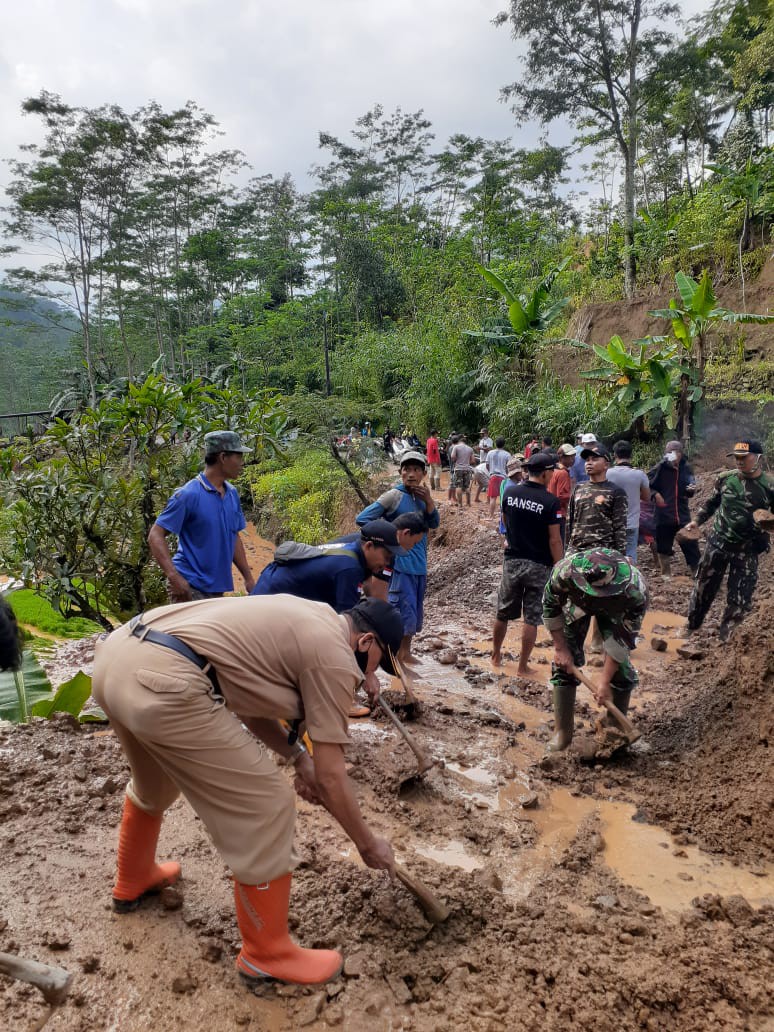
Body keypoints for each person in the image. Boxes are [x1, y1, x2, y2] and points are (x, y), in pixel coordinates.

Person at [91, 596, 401, 988]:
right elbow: (332, 777)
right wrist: (368, 844)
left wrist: (297, 757)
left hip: (117, 659)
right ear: (365, 641)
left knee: (155, 782)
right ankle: (267, 954)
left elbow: (250, 704)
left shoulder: (311, 616)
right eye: (380, 662)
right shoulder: (336, 657)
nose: (375, 675)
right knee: (267, 802)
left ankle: (133, 878)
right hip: (164, 679)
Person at [543, 548, 649, 752]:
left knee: (621, 671)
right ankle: (562, 733)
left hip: (616, 608)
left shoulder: (635, 590)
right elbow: (550, 606)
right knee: (563, 664)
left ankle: (615, 731)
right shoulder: (565, 572)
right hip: (577, 603)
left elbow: (621, 641)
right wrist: (560, 648)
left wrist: (604, 682)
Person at [148, 430, 255, 602]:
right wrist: (174, 577)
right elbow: (155, 535)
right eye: (239, 456)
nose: (242, 463)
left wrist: (248, 578)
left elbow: (233, 535)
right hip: (189, 587)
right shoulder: (188, 495)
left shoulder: (232, 494)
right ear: (223, 457)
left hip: (217, 590)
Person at [355, 451, 440, 664]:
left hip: (419, 565)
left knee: (414, 612)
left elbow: (434, 524)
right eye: (406, 470)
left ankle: (405, 653)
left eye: (416, 470)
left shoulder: (423, 498)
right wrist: (387, 538)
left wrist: (429, 501)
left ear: (423, 473)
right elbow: (363, 519)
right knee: (401, 610)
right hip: (400, 565)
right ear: (401, 473)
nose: (411, 474)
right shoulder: (394, 496)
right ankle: (392, 656)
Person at [685, 439, 774, 640]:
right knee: (703, 588)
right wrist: (696, 521)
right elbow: (711, 504)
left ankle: (728, 642)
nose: (739, 462)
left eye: (744, 457)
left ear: (758, 458)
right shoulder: (725, 479)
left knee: (740, 598)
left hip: (748, 549)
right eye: (736, 458)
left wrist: (767, 522)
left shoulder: (769, 486)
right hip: (718, 542)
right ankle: (691, 627)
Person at [492, 452, 564, 676]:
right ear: (545, 473)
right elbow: (554, 539)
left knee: (502, 612)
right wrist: (559, 566)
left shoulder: (511, 492)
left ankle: (495, 655)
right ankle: (523, 666)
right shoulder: (551, 502)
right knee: (531, 618)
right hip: (539, 565)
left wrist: (513, 539)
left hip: (512, 560)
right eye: (552, 470)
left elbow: (504, 522)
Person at [251, 519, 405, 614]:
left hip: (271, 585)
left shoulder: (350, 551)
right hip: (270, 599)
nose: (386, 563)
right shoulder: (350, 568)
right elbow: (345, 621)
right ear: (369, 546)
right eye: (386, 556)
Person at [565, 442, 627, 556]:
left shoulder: (616, 492)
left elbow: (620, 528)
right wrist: (567, 550)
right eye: (587, 460)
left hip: (604, 553)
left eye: (594, 459)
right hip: (576, 552)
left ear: (606, 465)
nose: (589, 463)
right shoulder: (578, 488)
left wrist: (620, 556)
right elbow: (570, 521)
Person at [648, 440, 699, 578]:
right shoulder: (659, 468)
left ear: (680, 454)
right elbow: (647, 485)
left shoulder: (686, 468)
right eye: (668, 453)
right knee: (663, 545)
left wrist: (691, 489)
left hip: (681, 513)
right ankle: (666, 574)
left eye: (674, 453)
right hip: (664, 513)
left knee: (690, 542)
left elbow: (691, 486)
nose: (670, 456)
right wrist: (655, 494)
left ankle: (696, 572)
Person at [606, 440, 651, 564]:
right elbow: (647, 498)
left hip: (611, 523)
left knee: (612, 557)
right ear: (631, 455)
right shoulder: (640, 475)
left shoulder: (607, 473)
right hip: (631, 523)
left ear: (614, 455)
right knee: (630, 556)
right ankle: (630, 581)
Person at [548, 443, 577, 543]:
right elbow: (562, 496)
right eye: (570, 457)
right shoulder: (563, 473)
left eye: (573, 456)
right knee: (560, 539)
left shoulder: (554, 470)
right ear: (561, 457)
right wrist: (574, 498)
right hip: (560, 512)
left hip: (551, 510)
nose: (573, 459)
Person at [486, 437, 512, 516]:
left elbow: (487, 465)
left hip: (493, 476)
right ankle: (503, 516)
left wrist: (491, 472)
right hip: (503, 478)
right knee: (503, 498)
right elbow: (509, 467)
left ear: (495, 444)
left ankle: (491, 516)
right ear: (504, 444)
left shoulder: (490, 453)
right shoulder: (507, 454)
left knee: (493, 498)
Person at [450, 435, 476, 507]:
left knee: (459, 486)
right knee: (467, 486)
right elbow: (473, 460)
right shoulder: (470, 449)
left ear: (459, 441)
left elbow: (452, 457)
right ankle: (468, 503)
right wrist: (466, 462)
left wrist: (457, 460)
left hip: (458, 469)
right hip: (467, 469)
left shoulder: (456, 447)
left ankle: (460, 504)